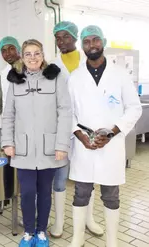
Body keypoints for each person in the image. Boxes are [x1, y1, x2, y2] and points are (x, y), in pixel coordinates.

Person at [67, 25, 142, 247]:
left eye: (95, 40)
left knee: (111, 195)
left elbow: (134, 108)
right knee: (81, 193)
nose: (92, 44)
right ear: (82, 46)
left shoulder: (120, 74)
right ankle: (77, 238)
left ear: (104, 42)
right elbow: (68, 112)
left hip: (111, 144)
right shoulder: (75, 77)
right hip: (84, 145)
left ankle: (112, 242)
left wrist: (111, 133)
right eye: (87, 41)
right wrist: (80, 136)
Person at [2, 39, 72, 247]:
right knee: (27, 193)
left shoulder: (55, 78)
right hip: (22, 148)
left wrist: (61, 145)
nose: (33, 57)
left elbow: (65, 112)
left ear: (43, 55)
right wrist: (8, 142)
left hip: (49, 147)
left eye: (37, 53)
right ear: (22, 58)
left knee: (44, 192)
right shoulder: (15, 81)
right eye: (28, 54)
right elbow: (8, 115)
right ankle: (28, 232)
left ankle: (41, 232)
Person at [50, 21, 103, 238]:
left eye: (65, 37)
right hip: (61, 129)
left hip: (85, 129)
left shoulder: (88, 61)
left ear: (75, 38)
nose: (61, 41)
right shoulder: (51, 66)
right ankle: (59, 221)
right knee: (60, 178)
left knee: (87, 177)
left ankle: (89, 219)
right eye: (57, 38)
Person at [0, 36, 21, 109]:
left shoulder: (29, 68)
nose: (7, 53)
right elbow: (5, 100)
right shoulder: (4, 73)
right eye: (3, 51)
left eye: (11, 49)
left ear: (18, 49)